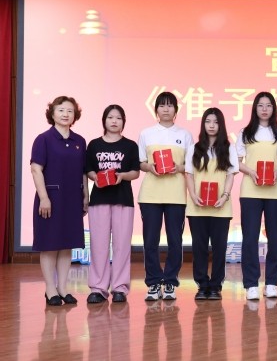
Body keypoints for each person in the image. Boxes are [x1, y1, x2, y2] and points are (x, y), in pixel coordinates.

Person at [30, 96, 88, 306]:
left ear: (75, 115)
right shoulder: (43, 139)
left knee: (66, 244)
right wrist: (44, 197)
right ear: (52, 113)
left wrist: (86, 195)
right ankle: (50, 289)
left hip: (73, 199)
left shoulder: (80, 141)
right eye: (61, 110)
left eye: (70, 111)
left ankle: (63, 288)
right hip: (51, 199)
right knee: (50, 244)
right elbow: (36, 169)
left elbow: (83, 172)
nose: (66, 114)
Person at [138, 91, 194, 301]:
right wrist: (149, 167)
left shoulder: (185, 135)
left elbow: (191, 164)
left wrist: (179, 167)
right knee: (150, 240)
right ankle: (153, 282)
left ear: (176, 110)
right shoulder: (146, 133)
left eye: (170, 105)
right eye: (162, 105)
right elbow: (140, 162)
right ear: (156, 110)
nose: (166, 109)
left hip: (176, 194)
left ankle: (170, 281)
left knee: (175, 240)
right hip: (150, 195)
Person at [85, 104, 141, 304]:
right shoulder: (94, 145)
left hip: (123, 200)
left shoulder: (130, 145)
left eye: (118, 118)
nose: (114, 121)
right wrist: (96, 176)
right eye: (110, 117)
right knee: (98, 245)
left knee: (122, 245)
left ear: (123, 122)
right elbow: (88, 170)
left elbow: (136, 172)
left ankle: (120, 287)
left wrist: (122, 176)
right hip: (99, 200)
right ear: (104, 121)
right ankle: (98, 288)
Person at [237, 92, 277, 300]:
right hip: (251, 190)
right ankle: (251, 284)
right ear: (254, 108)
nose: (264, 109)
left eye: (268, 105)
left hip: (276, 190)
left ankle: (272, 282)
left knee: (275, 238)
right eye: (260, 105)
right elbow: (236, 161)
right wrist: (251, 172)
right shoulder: (245, 132)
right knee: (250, 237)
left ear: (274, 108)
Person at [186, 107, 239, 300]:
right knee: (199, 248)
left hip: (221, 207)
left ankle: (216, 285)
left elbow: (231, 175)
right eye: (208, 121)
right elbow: (189, 174)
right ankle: (202, 285)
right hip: (197, 206)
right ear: (203, 124)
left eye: (216, 122)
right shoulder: (194, 148)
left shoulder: (229, 148)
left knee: (219, 248)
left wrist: (225, 196)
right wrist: (193, 195)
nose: (211, 125)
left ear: (221, 125)